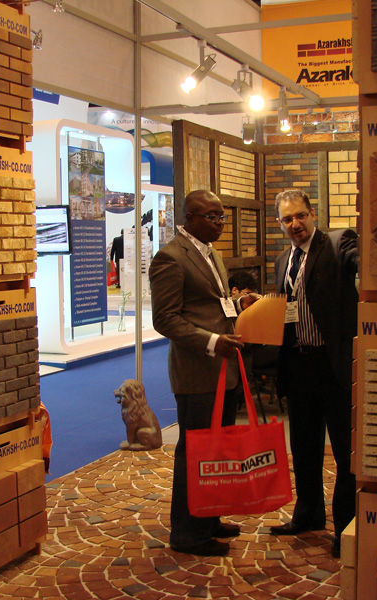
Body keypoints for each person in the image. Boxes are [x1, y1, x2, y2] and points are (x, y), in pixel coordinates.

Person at [149, 189, 256, 557]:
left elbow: (213, 305)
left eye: (222, 216)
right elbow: (165, 319)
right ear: (190, 218)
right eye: (212, 216)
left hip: (223, 370)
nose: (220, 223)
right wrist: (212, 342)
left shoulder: (212, 254)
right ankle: (187, 534)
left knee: (216, 453)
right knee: (194, 454)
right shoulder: (170, 257)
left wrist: (240, 303)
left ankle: (209, 520)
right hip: (197, 372)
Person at [269, 188, 358, 559]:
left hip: (333, 366)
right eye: (287, 219)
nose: (295, 224)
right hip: (298, 365)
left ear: (313, 214)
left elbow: (357, 260)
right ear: (280, 224)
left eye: (300, 215)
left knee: (345, 454)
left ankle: (346, 527)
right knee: (303, 448)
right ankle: (308, 514)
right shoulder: (282, 261)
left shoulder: (337, 245)